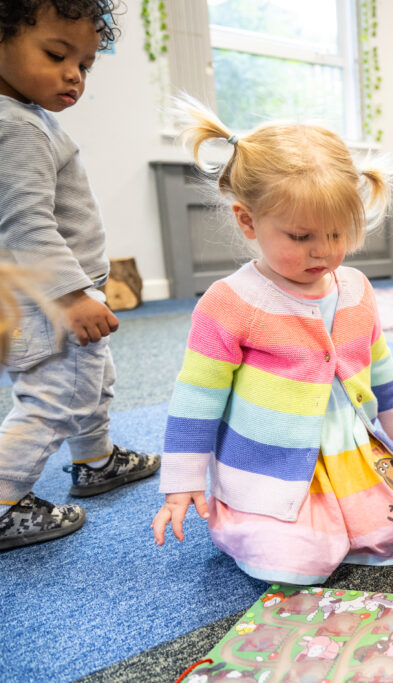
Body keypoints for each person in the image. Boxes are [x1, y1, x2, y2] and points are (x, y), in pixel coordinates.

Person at [150, 100, 393, 585]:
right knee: (293, 563)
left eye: (338, 233)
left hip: (350, 452)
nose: (323, 250)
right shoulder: (229, 303)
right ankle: (265, 528)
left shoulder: (357, 288)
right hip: (270, 466)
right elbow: (196, 398)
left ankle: (349, 519)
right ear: (247, 221)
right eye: (301, 236)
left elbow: (377, 360)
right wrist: (182, 483)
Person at [0, 0, 160, 552]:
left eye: (86, 64)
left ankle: (95, 462)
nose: (74, 74)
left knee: (90, 382)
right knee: (53, 398)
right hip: (51, 299)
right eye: (56, 53)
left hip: (56, 293)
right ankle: (2, 502)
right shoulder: (14, 127)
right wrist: (71, 296)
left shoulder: (28, 118)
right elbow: (25, 226)